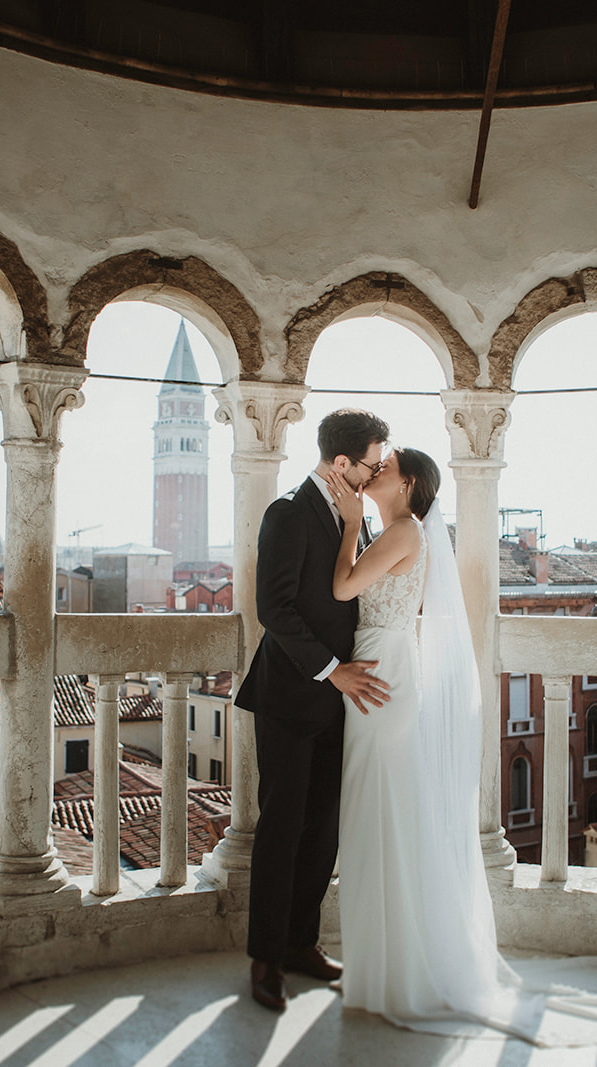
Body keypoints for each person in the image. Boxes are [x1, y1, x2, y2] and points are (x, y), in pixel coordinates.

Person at [325, 446, 597, 1046]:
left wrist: (351, 523)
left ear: (407, 484)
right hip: (383, 670)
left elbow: (342, 588)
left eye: (385, 469)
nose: (373, 472)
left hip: (383, 678)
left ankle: (398, 970)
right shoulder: (402, 530)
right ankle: (384, 966)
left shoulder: (401, 530)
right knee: (379, 817)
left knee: (378, 815)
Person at [234, 408, 392, 1013]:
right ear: (342, 462)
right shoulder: (287, 513)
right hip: (291, 696)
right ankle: (266, 958)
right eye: (370, 465)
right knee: (280, 830)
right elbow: (274, 609)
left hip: (340, 706)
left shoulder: (354, 515)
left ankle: (302, 943)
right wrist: (333, 670)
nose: (375, 474)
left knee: (321, 829)